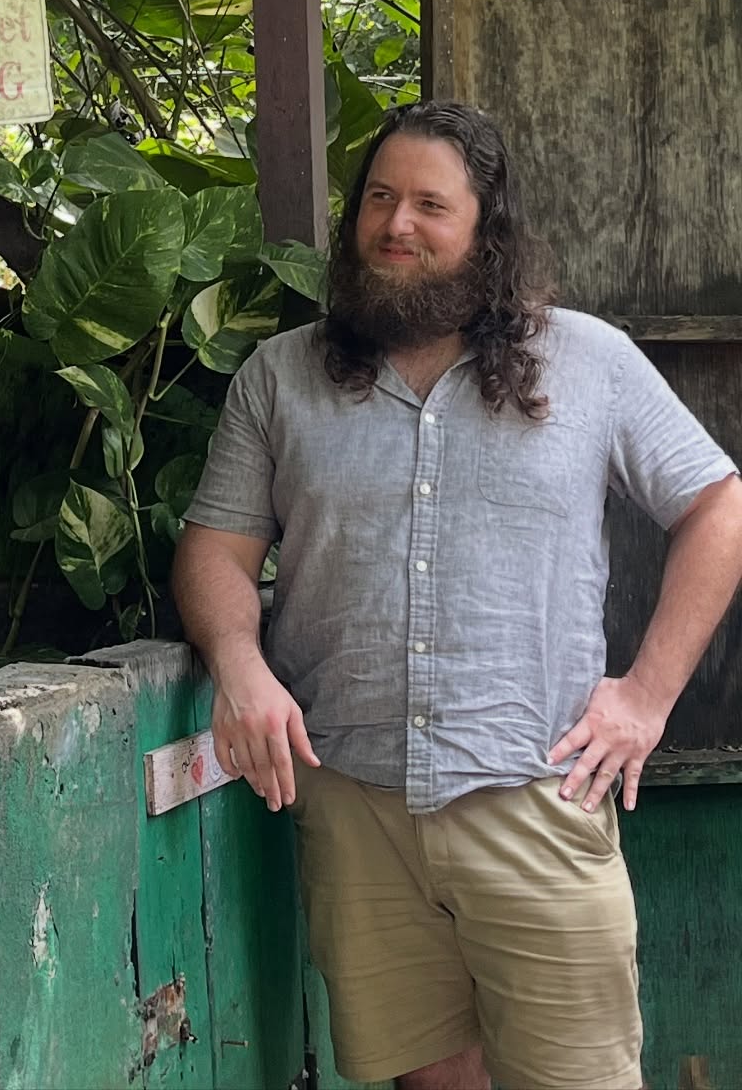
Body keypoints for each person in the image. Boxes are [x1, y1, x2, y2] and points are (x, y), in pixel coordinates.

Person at [173, 101, 742, 1090]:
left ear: (486, 230)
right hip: (354, 806)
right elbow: (215, 553)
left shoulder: (590, 363)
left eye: (431, 205)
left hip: (536, 798)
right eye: (381, 199)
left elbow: (719, 504)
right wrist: (240, 667)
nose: (398, 224)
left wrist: (646, 697)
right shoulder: (281, 378)